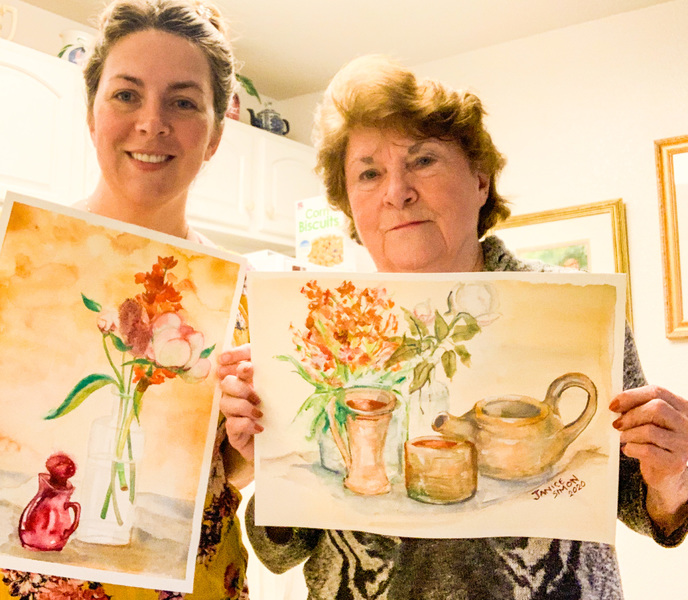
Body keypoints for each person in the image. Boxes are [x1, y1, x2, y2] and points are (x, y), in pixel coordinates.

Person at [220, 55, 688, 599]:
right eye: (369, 172)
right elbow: (280, 550)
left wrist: (672, 476)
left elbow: (637, 499)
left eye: (422, 160)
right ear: (349, 203)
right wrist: (266, 464)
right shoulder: (323, 330)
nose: (397, 191)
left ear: (481, 180)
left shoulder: (574, 309)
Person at [0, 1, 256, 598]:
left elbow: (226, 471)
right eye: (126, 94)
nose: (152, 122)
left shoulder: (238, 292)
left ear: (215, 133)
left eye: (184, 102)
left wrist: (254, 447)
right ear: (91, 113)